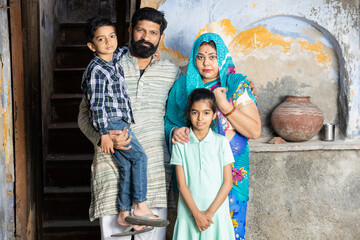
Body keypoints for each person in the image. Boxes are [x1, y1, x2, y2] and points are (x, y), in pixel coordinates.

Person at [78, 8, 183, 240]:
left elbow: (195, 97)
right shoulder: (108, 63)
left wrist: (238, 86)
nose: (146, 37)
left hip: (154, 176)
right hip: (110, 172)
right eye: (140, 30)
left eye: (153, 33)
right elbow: (84, 116)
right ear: (130, 31)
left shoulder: (172, 73)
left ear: (161, 38)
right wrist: (102, 137)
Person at [165, 32, 261, 240]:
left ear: (223, 58)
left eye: (212, 57)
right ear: (193, 59)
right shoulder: (183, 87)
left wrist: (225, 105)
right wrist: (175, 131)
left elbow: (254, 131)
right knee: (194, 227)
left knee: (229, 231)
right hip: (194, 173)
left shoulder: (236, 84)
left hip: (234, 169)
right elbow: (170, 122)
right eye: (200, 57)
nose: (206, 63)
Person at [171, 88, 235, 239]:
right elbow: (182, 185)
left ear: (213, 115)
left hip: (217, 213)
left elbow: (228, 183)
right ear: (188, 114)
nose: (200, 118)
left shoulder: (221, 142)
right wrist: (197, 214)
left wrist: (209, 213)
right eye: (195, 112)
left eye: (206, 113)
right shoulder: (180, 144)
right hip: (189, 213)